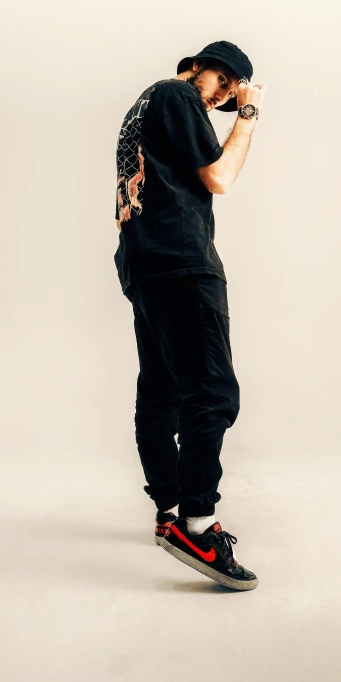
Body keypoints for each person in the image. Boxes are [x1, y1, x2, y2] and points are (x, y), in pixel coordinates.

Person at [114, 40, 267, 591]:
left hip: (143, 261)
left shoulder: (145, 107)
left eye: (232, 91)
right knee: (214, 393)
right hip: (181, 260)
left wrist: (233, 103)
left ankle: (169, 509)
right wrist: (248, 116)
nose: (224, 94)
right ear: (197, 64)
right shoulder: (176, 95)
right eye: (223, 79)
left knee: (161, 390)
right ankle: (198, 525)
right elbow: (219, 178)